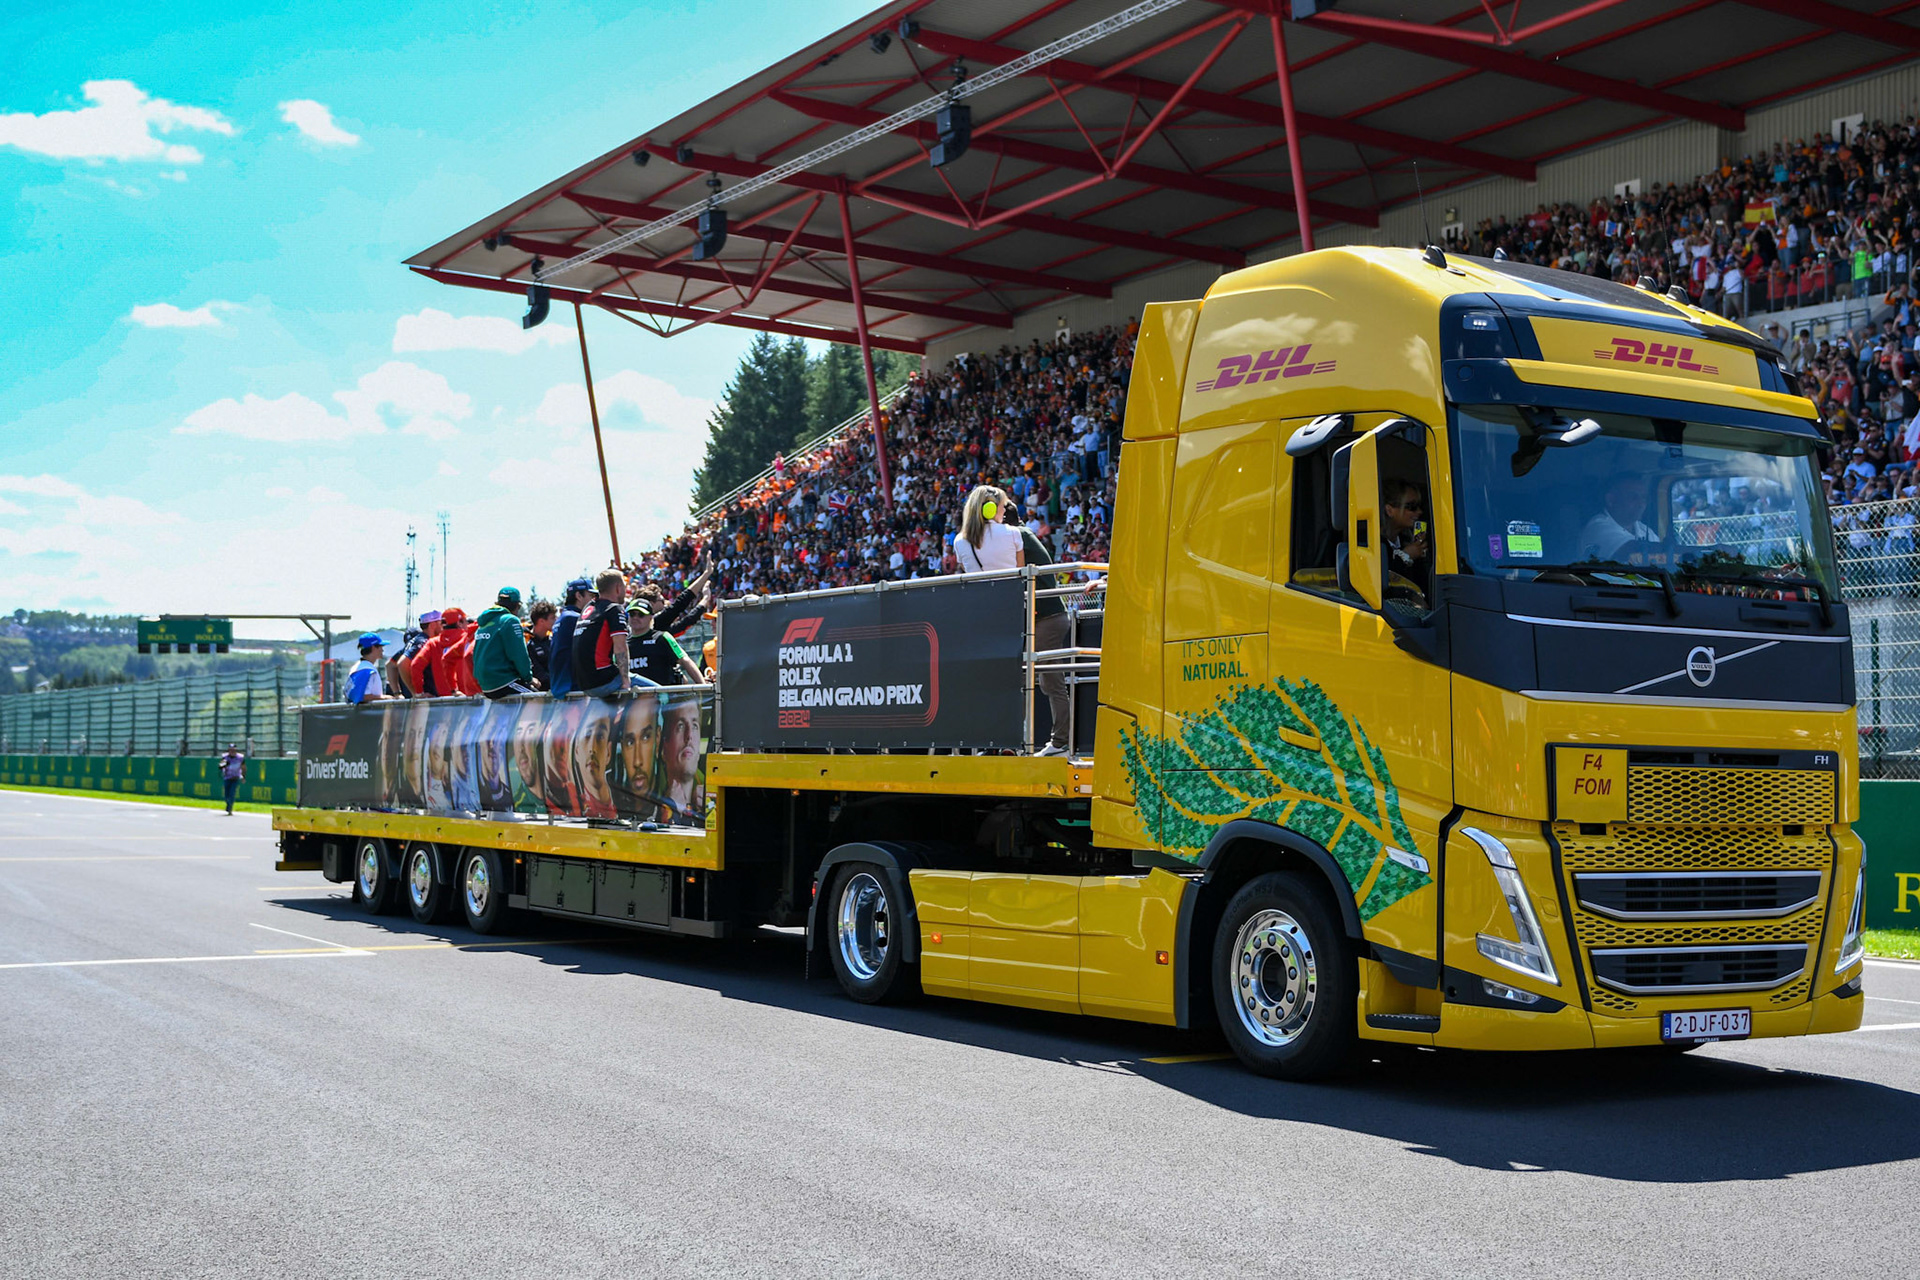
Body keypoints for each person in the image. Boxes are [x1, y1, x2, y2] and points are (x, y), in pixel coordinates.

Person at [1018, 522, 1073, 757]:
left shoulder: (1017, 536)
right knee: (1037, 681)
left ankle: (1061, 742)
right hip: (1045, 618)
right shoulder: (1022, 535)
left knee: (1051, 683)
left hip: (1048, 619)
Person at [629, 585, 704, 687]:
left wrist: (703, 687)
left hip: (665, 699)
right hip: (634, 700)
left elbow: (685, 660)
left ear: (650, 617)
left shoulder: (662, 637)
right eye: (632, 614)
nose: (635, 618)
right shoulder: (623, 643)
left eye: (641, 614)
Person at [572, 568, 632, 696]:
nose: (626, 591)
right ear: (618, 588)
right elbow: (620, 646)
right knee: (659, 692)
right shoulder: (614, 609)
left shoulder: (588, 608)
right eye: (624, 587)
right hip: (604, 681)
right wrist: (626, 681)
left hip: (584, 684)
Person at [472, 586, 535, 699]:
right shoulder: (510, 620)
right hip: (504, 682)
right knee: (540, 700)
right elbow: (519, 655)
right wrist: (529, 678)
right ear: (518, 605)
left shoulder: (483, 623)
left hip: (485, 686)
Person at [1580, 473, 1659, 561]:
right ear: (1611, 500)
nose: (1641, 504)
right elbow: (1632, 552)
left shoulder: (1644, 530)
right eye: (1633, 497)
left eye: (1644, 498)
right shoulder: (1597, 528)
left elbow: (1663, 555)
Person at [952, 484, 1024, 572]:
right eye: (1003, 506)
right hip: (1010, 585)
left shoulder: (958, 541)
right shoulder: (1013, 533)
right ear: (991, 509)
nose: (1004, 510)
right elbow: (1021, 570)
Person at [1383, 477, 1431, 595]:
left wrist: (1420, 557)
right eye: (1411, 506)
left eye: (1420, 506)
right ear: (1390, 510)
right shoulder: (1369, 543)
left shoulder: (1406, 541)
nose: (1419, 512)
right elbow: (1380, 582)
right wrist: (1406, 556)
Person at [547, 578, 593, 697]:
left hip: (562, 687)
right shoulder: (574, 618)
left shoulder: (563, 617)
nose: (593, 600)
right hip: (572, 689)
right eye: (590, 595)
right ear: (579, 596)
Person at [403, 610, 444, 697]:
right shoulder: (423, 642)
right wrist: (417, 693)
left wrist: (397, 692)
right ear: (433, 625)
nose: (443, 627)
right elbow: (402, 663)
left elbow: (391, 665)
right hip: (426, 700)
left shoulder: (416, 640)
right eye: (441, 623)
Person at [345, 633, 388, 704]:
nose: (382, 650)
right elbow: (364, 696)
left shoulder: (358, 667)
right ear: (373, 648)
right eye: (381, 646)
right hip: (368, 713)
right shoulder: (367, 670)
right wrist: (386, 697)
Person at [524, 600, 556, 689]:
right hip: (539, 693)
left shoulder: (552, 639)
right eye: (552, 618)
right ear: (541, 621)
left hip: (556, 689)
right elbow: (537, 671)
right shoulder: (526, 642)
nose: (556, 620)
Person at [218, 744, 245, 816]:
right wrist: (224, 764)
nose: (232, 751)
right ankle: (228, 804)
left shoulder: (240, 757)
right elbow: (220, 766)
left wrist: (243, 777)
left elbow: (243, 767)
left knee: (232, 793)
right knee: (226, 794)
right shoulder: (225, 757)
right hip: (227, 777)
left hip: (235, 777)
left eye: (233, 750)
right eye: (230, 750)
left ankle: (230, 808)